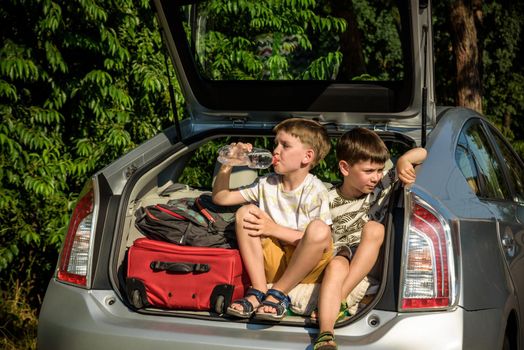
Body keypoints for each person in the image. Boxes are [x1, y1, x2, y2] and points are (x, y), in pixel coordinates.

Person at [313, 128, 427, 350]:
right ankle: (325, 335)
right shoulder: (325, 198)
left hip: (374, 260)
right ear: (345, 168)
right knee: (336, 264)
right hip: (342, 257)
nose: (376, 176)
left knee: (374, 228)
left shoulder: (381, 187)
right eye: (368, 171)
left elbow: (424, 153)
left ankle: (339, 299)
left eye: (379, 170)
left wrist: (404, 159)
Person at [212, 118, 333, 321]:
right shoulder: (265, 184)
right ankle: (258, 290)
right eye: (276, 143)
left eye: (285, 145)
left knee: (320, 230)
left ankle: (278, 293)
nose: (276, 151)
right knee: (245, 213)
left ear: (307, 156)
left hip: (307, 266)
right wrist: (228, 164)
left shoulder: (316, 190)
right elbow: (220, 197)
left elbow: (319, 241)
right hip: (275, 261)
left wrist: (272, 229)